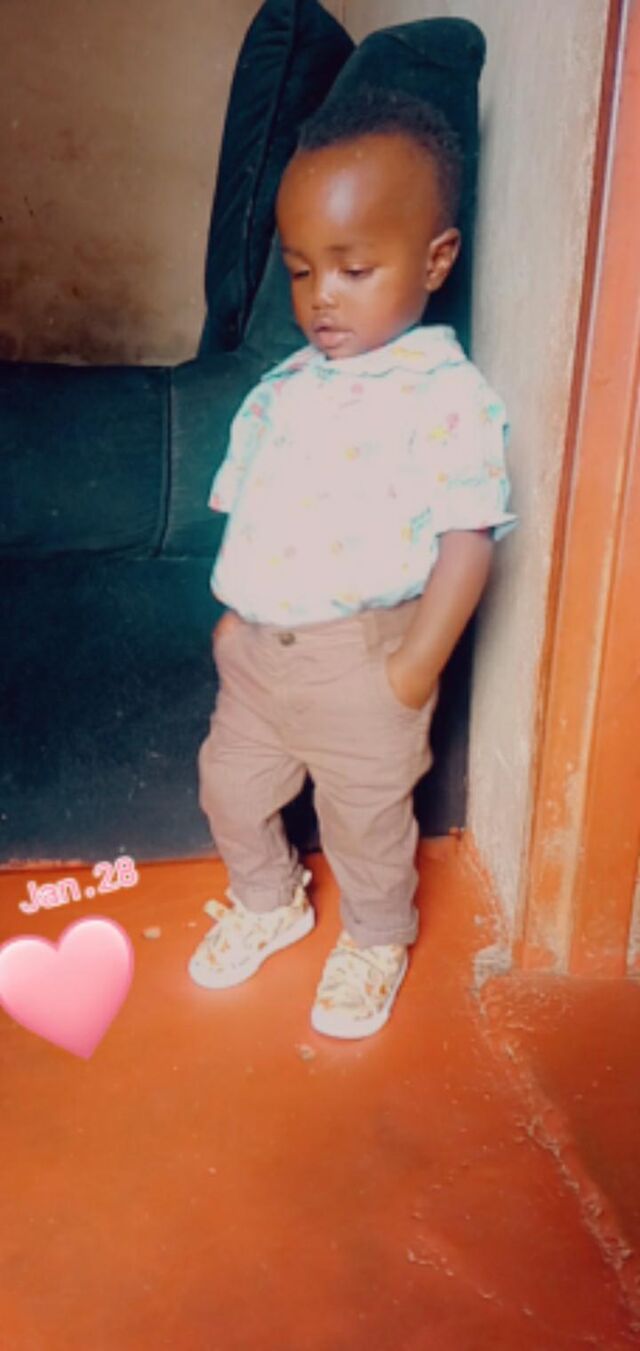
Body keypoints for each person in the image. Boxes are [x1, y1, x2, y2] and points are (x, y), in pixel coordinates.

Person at [189, 86, 516, 1039]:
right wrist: (235, 619)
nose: (321, 296)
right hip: (259, 656)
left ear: (435, 259)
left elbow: (467, 537)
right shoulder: (286, 385)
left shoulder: (444, 393)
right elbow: (255, 506)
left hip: (364, 659)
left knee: (365, 821)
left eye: (355, 268)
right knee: (229, 786)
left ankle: (375, 938)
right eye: (301, 271)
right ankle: (269, 900)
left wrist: (413, 668)